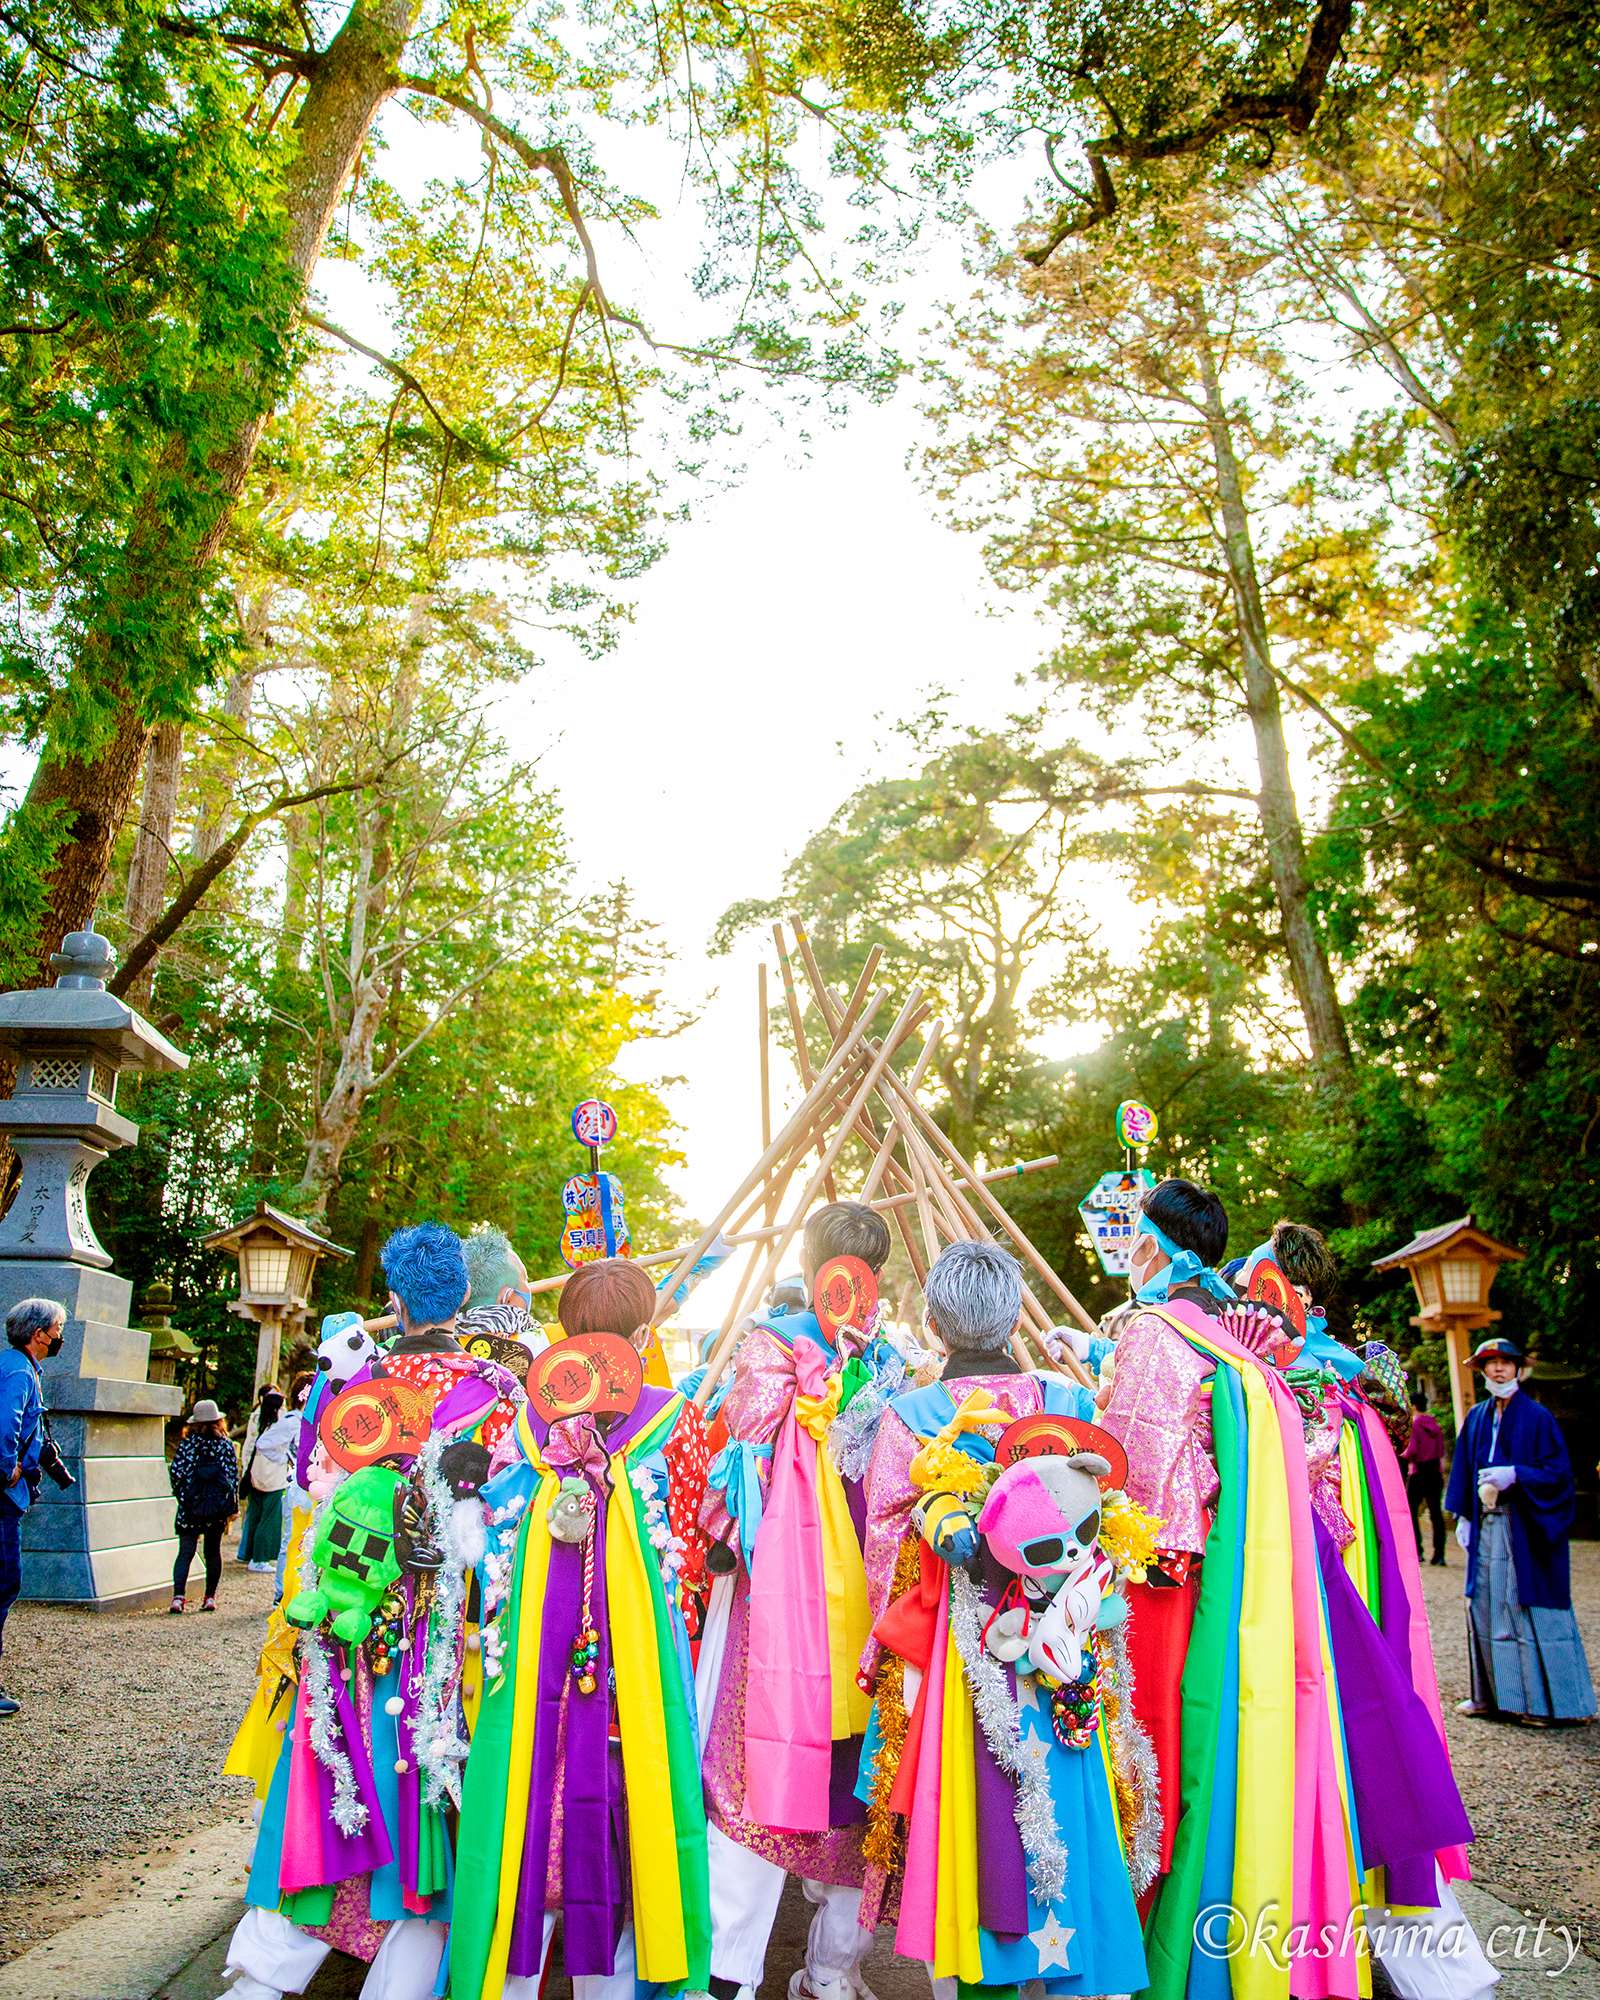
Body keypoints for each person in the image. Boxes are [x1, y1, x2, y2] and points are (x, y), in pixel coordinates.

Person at [221, 1222, 525, 2000]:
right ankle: (403, 1977)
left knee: (326, 1775)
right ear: (467, 1301)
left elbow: (309, 1486)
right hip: (446, 1631)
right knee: (434, 1796)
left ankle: (260, 1977)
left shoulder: (355, 1387)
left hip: (348, 1625)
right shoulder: (498, 1396)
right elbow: (507, 1520)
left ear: (394, 1300)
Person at [857, 1239, 1149, 1998]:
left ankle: (974, 1962)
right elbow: (1110, 1509)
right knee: (1072, 1787)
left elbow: (886, 1546)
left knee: (972, 1805)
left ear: (933, 1322)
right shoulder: (1065, 1401)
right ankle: (1077, 1955)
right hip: (1065, 1647)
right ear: (1016, 1314)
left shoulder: (909, 1415)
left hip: (962, 1659)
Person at [449, 1257, 712, 2000]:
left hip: (533, 1652)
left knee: (526, 1807)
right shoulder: (675, 1418)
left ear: (562, 1331)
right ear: (645, 1333)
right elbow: (691, 1542)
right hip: (639, 1657)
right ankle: (626, 1981)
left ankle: (507, 1974)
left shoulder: (523, 1419)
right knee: (639, 1823)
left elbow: (494, 1535)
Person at [696, 1201, 889, 2000]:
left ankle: (727, 1974)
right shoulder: (888, 1361)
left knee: (752, 1767)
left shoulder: (770, 1347)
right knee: (853, 1778)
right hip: (867, 1599)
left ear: (812, 1265)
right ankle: (833, 1971)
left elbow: (733, 1463)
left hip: (774, 1596)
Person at [1446, 1337, 1596, 1726]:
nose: (1498, 1370)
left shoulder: (1538, 1417)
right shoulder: (1478, 1417)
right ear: (1481, 1371)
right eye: (1490, 1363)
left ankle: (1542, 1704)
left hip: (1524, 1524)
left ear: (1518, 1369)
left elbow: (1559, 1474)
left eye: (1505, 1363)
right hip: (1487, 1522)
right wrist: (1464, 1516)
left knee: (1522, 1605)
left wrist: (1518, 1474)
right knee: (1484, 1604)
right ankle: (1491, 1698)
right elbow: (1464, 1468)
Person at [0, 1298, 66, 1715]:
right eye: (58, 1328)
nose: (60, 1336)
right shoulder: (20, 1372)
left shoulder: (13, 1365)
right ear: (39, 1334)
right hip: (4, 1495)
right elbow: (7, 1423)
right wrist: (8, 1469)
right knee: (4, 1583)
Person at [169, 1400, 241, 1613]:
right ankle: (209, 1597)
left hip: (190, 1507)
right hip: (216, 1508)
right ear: (219, 1421)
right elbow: (232, 1478)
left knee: (186, 1552)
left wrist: (184, 1499)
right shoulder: (225, 1445)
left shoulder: (188, 1445)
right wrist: (230, 1506)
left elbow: (176, 1474)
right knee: (212, 1551)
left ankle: (178, 1598)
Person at [238, 1385, 288, 1571]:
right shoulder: (280, 1422)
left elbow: (249, 1446)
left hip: (255, 1469)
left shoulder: (256, 1418)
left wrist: (245, 1469)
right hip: (273, 1473)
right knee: (269, 1517)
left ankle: (248, 1553)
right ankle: (260, 1558)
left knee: (255, 1515)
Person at [1407, 1389, 1448, 1566]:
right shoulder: (1435, 1425)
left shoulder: (1415, 1424)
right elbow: (1441, 1450)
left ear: (1414, 1406)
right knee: (1436, 1513)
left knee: (1411, 1511)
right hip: (1435, 1471)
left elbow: (1412, 1450)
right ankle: (1439, 1554)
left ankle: (1418, 1550)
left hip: (1418, 1471)